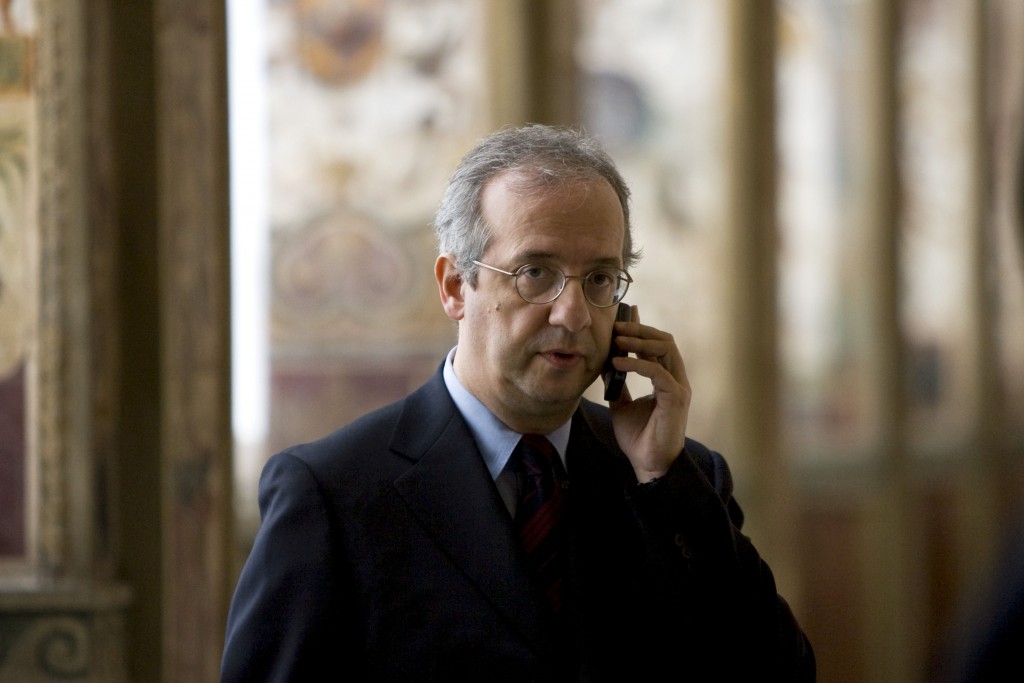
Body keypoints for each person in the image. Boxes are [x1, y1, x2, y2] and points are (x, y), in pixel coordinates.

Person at [221, 124, 815, 681]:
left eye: (600, 279)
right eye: (536, 272)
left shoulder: (678, 482)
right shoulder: (331, 493)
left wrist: (665, 480)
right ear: (455, 286)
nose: (574, 313)